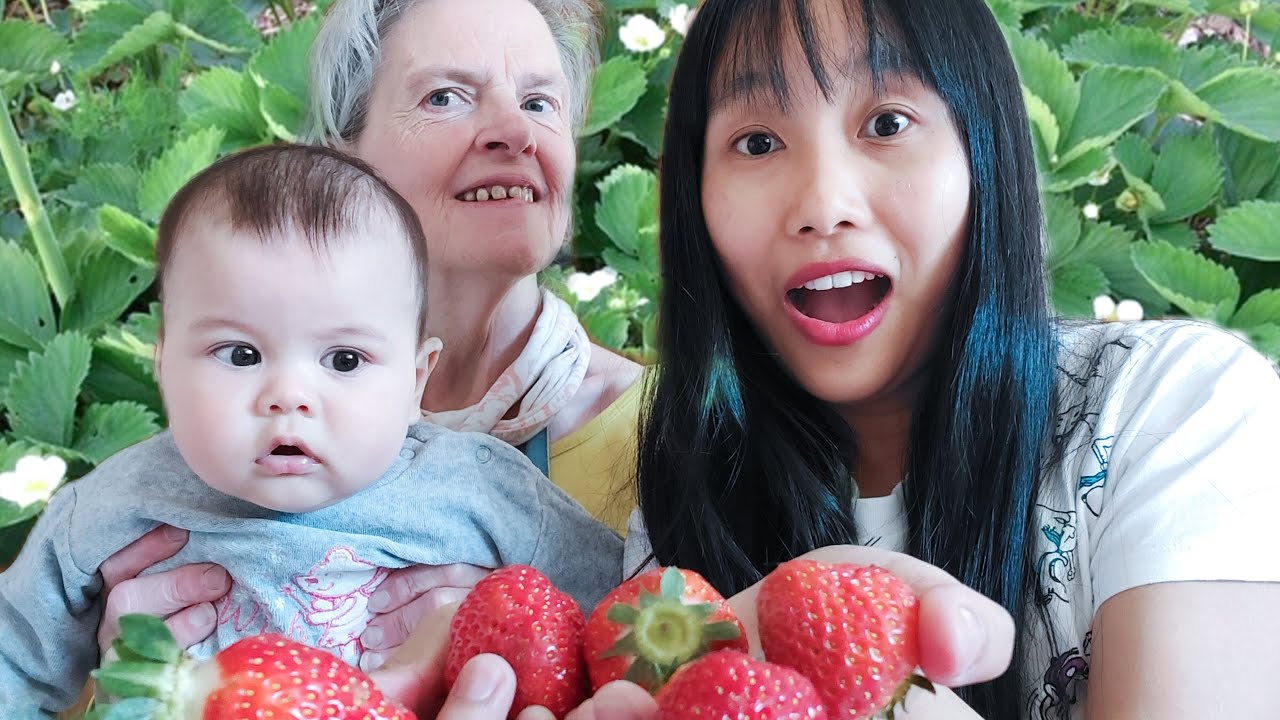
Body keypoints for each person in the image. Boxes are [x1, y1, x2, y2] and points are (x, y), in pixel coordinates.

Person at [626, 0, 1280, 718]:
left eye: (886, 124)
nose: (823, 202)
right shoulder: (691, 490)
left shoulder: (1171, 410)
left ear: (983, 149)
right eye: (755, 142)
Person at [91, 0, 644, 674]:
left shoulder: (673, 437)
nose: (513, 131)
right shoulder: (227, 437)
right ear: (338, 160)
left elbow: (708, 665)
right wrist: (126, 679)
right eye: (446, 96)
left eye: (539, 102)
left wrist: (539, 625)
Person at [0, 144, 621, 714]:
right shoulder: (117, 506)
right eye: (240, 354)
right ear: (162, 364)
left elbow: (607, 616)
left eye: (344, 361)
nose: (288, 397)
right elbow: (15, 661)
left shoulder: (479, 490)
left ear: (414, 380)